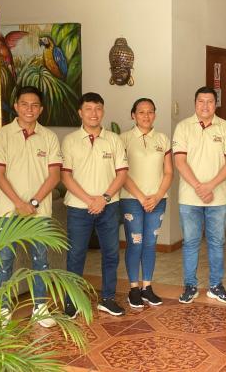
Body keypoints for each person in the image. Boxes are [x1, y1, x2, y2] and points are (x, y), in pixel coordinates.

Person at [0, 86, 62, 328]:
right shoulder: (1, 135)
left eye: (34, 105)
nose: (29, 109)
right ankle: (3, 309)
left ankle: (40, 307)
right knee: (5, 260)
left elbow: (54, 176)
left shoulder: (49, 137)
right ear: (16, 106)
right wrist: (19, 203)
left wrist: (32, 203)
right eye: (24, 104)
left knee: (40, 260)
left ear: (41, 109)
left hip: (39, 212)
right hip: (7, 211)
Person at [61, 92, 128, 318]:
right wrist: (90, 200)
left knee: (111, 254)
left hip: (108, 207)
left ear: (103, 111)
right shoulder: (70, 141)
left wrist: (104, 198)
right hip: (79, 208)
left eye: (98, 108)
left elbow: (122, 174)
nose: (93, 113)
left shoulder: (114, 140)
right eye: (88, 109)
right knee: (76, 255)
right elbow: (66, 177)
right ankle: (72, 301)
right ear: (80, 112)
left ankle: (108, 298)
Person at [173, 86, 226, 304]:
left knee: (217, 242)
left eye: (210, 101)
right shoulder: (183, 127)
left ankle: (215, 285)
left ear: (215, 104)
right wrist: (199, 187)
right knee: (190, 243)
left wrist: (209, 186)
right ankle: (190, 285)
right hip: (189, 198)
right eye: (201, 101)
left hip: (218, 198)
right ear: (195, 103)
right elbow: (179, 162)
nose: (205, 106)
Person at [120, 98, 173, 308]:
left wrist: (158, 195)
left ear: (155, 115)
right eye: (141, 112)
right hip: (132, 200)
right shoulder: (122, 139)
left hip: (157, 200)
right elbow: (121, 173)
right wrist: (142, 197)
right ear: (133, 115)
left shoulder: (162, 139)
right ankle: (133, 288)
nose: (146, 115)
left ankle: (147, 287)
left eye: (150, 111)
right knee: (136, 242)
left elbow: (169, 172)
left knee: (150, 244)